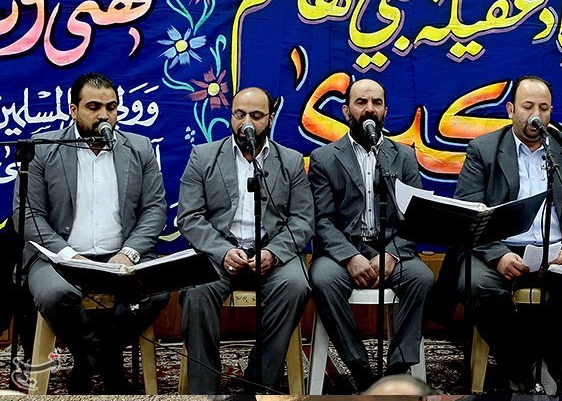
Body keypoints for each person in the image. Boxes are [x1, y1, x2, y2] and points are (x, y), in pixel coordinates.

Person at [436, 75, 562, 392]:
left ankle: (538, 359)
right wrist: (498, 256)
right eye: (527, 107)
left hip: (559, 252)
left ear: (551, 112)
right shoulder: (483, 150)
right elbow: (470, 211)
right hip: (500, 249)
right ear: (511, 109)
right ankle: (525, 369)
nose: (535, 115)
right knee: (476, 286)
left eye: (543, 108)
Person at [14, 72, 168, 393]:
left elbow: (155, 209)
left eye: (111, 107)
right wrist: (70, 255)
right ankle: (101, 360)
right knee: (56, 295)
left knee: (157, 292)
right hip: (59, 259)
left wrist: (129, 252)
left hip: (121, 258)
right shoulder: (43, 148)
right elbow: (27, 214)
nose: (104, 116)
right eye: (93, 107)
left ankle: (93, 360)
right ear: (73, 110)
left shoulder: (139, 148)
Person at [178, 87, 314, 394]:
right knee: (196, 292)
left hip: (271, 253)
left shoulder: (291, 161)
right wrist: (222, 251)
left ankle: (257, 381)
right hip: (219, 253)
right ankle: (205, 391)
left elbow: (303, 220)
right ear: (231, 116)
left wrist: (273, 253)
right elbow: (189, 217)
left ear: (270, 118)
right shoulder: (203, 156)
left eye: (256, 115)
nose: (246, 123)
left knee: (296, 286)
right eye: (239, 115)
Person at [308, 78, 434, 391]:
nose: (369, 109)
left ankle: (396, 369)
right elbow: (321, 220)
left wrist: (392, 254)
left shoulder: (403, 156)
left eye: (376, 103)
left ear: (385, 111)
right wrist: (349, 256)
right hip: (341, 253)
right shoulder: (325, 158)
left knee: (422, 279)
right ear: (346, 111)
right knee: (323, 280)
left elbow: (416, 217)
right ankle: (360, 368)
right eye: (361, 102)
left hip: (393, 249)